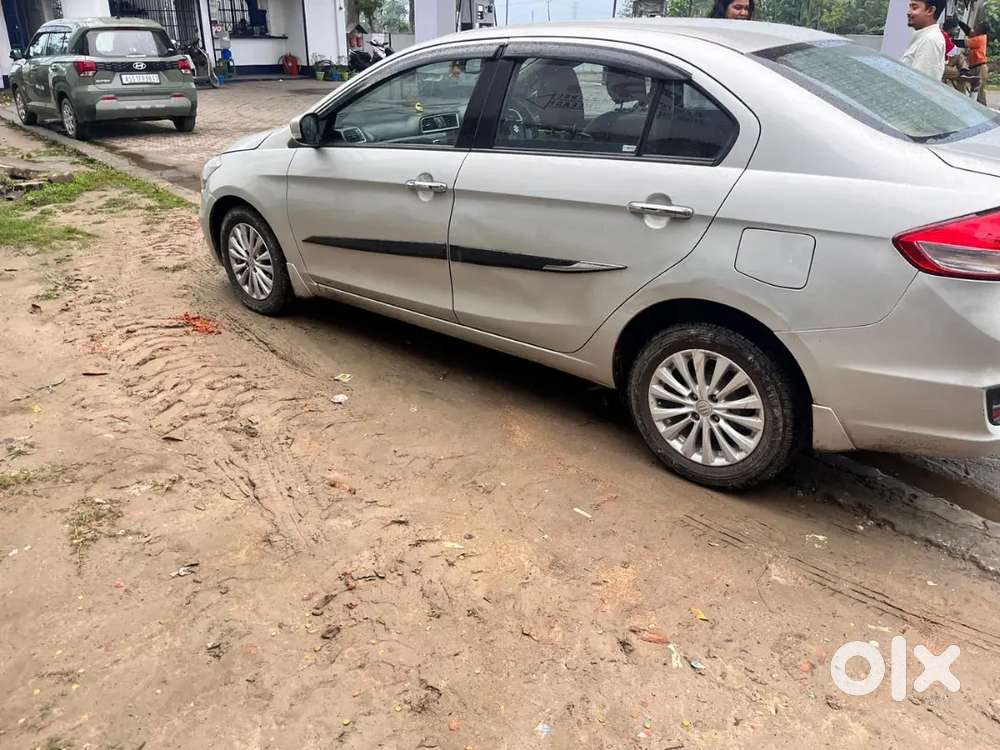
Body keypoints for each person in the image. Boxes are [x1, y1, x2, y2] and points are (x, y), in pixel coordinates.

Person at [900, 0, 947, 80]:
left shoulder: (930, 40)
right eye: (910, 7)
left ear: (930, 10)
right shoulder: (925, 36)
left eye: (914, 8)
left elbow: (918, 85)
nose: (908, 12)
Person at [953, 19, 990, 106]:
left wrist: (948, 40)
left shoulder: (980, 39)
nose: (975, 27)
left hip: (980, 68)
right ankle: (961, 102)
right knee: (962, 79)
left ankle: (984, 112)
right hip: (973, 67)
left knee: (979, 92)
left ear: (981, 30)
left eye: (978, 26)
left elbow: (963, 43)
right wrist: (958, 21)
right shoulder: (977, 35)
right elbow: (968, 30)